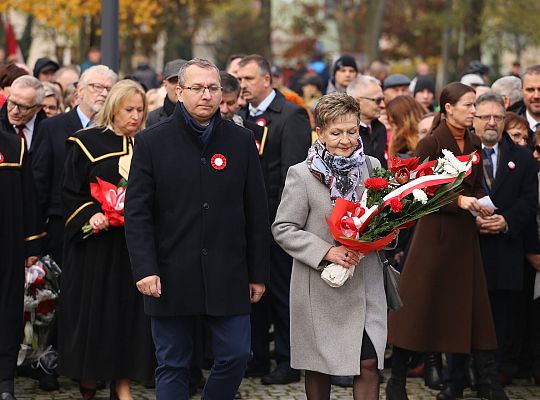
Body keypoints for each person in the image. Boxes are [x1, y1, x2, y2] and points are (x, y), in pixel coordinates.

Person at [124, 58, 269, 400]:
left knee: (235, 355)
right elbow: (138, 213)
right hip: (170, 271)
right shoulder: (151, 142)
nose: (206, 94)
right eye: (197, 88)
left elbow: (257, 210)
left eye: (213, 88)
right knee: (173, 363)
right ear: (178, 91)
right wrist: (145, 268)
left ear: (222, 93)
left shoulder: (241, 140)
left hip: (228, 270)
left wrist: (257, 272)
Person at [386, 82, 507, 400]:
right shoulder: (429, 143)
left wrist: (482, 203)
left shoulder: (474, 142)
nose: (474, 111)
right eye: (468, 105)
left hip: (465, 240)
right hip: (434, 239)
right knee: (416, 309)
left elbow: (477, 184)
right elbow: (418, 191)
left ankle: (465, 382)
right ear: (448, 108)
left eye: (475, 105)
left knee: (466, 311)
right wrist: (459, 203)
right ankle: (396, 381)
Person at [272, 92, 386, 400]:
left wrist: (379, 236)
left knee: (369, 362)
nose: (346, 140)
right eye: (337, 133)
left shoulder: (373, 166)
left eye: (352, 131)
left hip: (365, 282)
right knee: (319, 367)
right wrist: (327, 251)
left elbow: (389, 218)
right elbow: (283, 228)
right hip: (321, 286)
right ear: (320, 132)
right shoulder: (302, 174)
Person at [58, 80, 153, 400]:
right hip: (95, 247)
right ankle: (89, 378)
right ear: (113, 107)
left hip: (132, 247)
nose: (135, 117)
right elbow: (70, 190)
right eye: (129, 110)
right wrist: (91, 214)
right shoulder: (86, 142)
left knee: (128, 315)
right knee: (95, 313)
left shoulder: (147, 144)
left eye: (140, 110)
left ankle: (122, 382)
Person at [236, 54, 312, 385]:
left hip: (278, 223)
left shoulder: (291, 115)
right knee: (254, 293)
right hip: (249, 223)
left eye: (248, 80)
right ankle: (258, 357)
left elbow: (292, 176)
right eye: (239, 80)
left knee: (282, 293)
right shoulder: (239, 115)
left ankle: (288, 359)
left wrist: (280, 222)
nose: (242, 86)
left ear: (267, 80)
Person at [473, 92, 538, 383]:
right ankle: (466, 373)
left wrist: (506, 221)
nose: (491, 123)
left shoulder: (522, 157)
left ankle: (495, 374)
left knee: (502, 316)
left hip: (506, 250)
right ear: (473, 119)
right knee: (470, 313)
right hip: (471, 249)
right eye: (485, 116)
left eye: (497, 117)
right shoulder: (461, 157)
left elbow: (530, 200)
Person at [32, 65, 117, 265]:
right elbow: (39, 182)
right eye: (97, 87)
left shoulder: (115, 133)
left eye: (109, 89)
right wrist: (35, 236)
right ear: (79, 91)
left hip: (104, 228)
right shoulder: (52, 127)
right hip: (61, 225)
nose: (103, 93)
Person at [0, 130, 46, 400]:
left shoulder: (13, 146)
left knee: (6, 312)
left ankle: (5, 381)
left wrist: (32, 243)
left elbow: (29, 196)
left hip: (8, 245)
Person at [347, 75, 388, 168]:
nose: (383, 105)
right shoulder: (345, 131)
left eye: (383, 99)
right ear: (357, 102)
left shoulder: (380, 128)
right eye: (377, 100)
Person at [0, 75, 47, 156]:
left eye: (23, 107)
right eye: (12, 102)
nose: (15, 111)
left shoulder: (48, 130)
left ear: (38, 108)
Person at [147, 59, 187, 126]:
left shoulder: (202, 116)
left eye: (182, 81)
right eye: (174, 81)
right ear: (165, 85)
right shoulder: (152, 119)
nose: (178, 86)